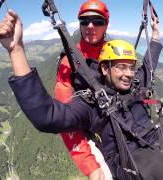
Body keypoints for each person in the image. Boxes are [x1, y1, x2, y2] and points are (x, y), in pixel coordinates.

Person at [0, 6, 163, 179]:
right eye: (121, 67)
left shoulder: (133, 82)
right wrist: (16, 50)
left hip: (155, 134)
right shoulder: (92, 102)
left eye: (130, 67)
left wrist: (155, 37)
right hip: (132, 155)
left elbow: (149, 67)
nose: (128, 74)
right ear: (105, 68)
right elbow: (46, 116)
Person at [54, 0, 111, 179]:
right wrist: (91, 166)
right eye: (85, 21)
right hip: (91, 134)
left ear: (106, 25)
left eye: (97, 21)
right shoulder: (69, 63)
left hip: (117, 123)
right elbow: (65, 118)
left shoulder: (113, 52)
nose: (90, 26)